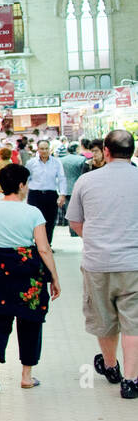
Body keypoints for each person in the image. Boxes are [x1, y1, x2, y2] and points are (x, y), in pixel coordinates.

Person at [0, 163, 61, 391]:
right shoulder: (33, 212)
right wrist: (54, 277)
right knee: (30, 321)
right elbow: (43, 249)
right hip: (28, 272)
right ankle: (26, 376)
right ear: (22, 185)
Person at [67, 129, 138, 399]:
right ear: (131, 152)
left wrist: (96, 238)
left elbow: (74, 222)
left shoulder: (87, 181)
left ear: (105, 151)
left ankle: (110, 366)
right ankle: (131, 381)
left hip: (98, 263)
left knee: (104, 318)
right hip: (134, 263)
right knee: (134, 321)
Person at [25, 140, 66, 244]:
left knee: (50, 221)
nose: (44, 151)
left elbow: (62, 178)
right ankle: (36, 244)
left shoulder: (56, 162)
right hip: (35, 195)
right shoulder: (31, 163)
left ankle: (47, 245)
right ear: (38, 149)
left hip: (50, 195)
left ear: (50, 149)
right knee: (34, 221)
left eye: (46, 148)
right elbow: (26, 179)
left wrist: (62, 195)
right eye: (42, 149)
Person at [60, 142, 90, 235]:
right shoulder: (81, 159)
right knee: (80, 210)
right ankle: (79, 231)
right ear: (76, 149)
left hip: (66, 187)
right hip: (78, 185)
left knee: (69, 210)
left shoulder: (61, 160)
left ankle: (72, 231)